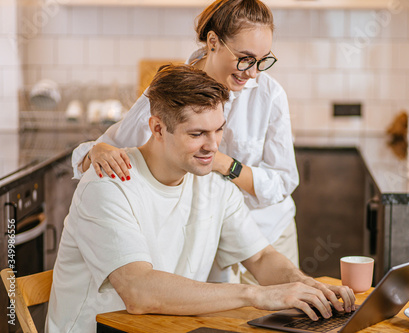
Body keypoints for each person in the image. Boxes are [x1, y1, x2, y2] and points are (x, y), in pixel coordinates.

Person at [46, 65, 355, 332]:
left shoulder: (212, 183)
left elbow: (261, 258)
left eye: (218, 130)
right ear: (157, 128)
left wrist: (304, 284)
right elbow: (138, 291)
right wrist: (256, 295)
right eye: (197, 134)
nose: (212, 146)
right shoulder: (109, 183)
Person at [71, 0, 299, 284]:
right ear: (213, 42)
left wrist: (224, 164)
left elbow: (283, 183)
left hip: (266, 233)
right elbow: (103, 153)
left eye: (263, 60)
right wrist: (98, 150)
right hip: (200, 237)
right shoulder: (173, 91)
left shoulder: (269, 94)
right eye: (245, 58)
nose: (253, 72)